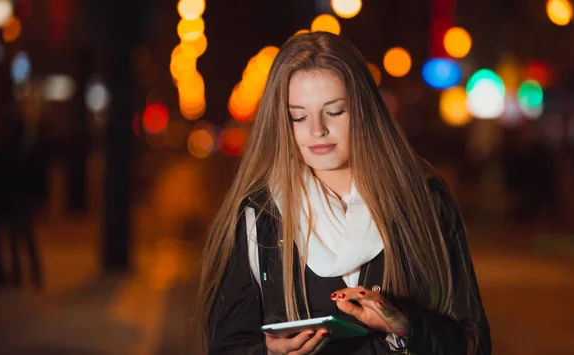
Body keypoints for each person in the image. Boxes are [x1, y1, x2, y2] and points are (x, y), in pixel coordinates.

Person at [196, 32, 491, 355]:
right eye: (298, 116)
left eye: (335, 111)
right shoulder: (259, 215)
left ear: (364, 110)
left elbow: (472, 341)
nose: (316, 129)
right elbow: (226, 346)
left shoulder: (424, 201)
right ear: (282, 122)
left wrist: (405, 325)